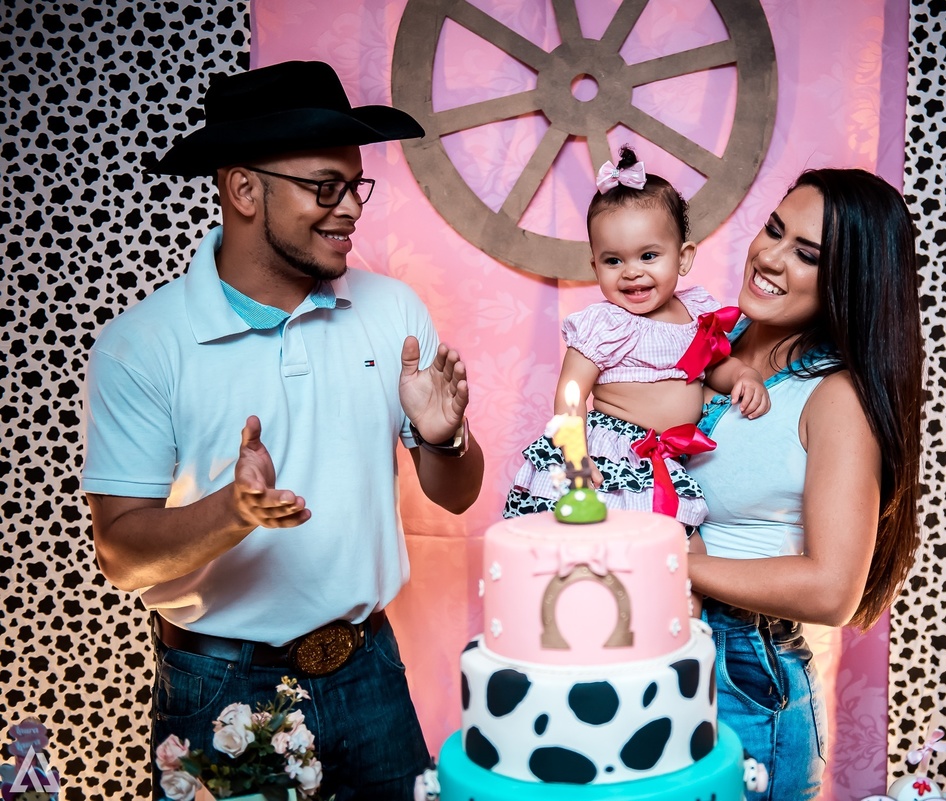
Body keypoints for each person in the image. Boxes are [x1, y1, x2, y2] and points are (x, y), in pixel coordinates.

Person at [81, 60, 485, 800]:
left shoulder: (391, 310)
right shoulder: (143, 345)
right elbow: (123, 554)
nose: (350, 210)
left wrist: (443, 438)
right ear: (243, 188)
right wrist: (229, 514)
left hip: (370, 673)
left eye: (354, 186)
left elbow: (456, 495)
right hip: (219, 693)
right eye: (323, 187)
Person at [685, 168, 925, 800]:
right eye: (773, 229)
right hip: (659, 647)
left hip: (743, 677)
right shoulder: (711, 338)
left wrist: (668, 562)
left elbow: (831, 590)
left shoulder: (835, 396)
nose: (769, 257)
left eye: (807, 255)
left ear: (849, 282)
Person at [504, 147, 768, 527]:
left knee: (677, 552)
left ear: (683, 257)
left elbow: (713, 367)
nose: (631, 272)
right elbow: (570, 392)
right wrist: (576, 452)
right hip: (611, 453)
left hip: (661, 457)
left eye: (648, 256)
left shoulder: (696, 313)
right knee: (603, 544)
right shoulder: (606, 324)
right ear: (594, 266)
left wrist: (744, 375)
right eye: (614, 261)